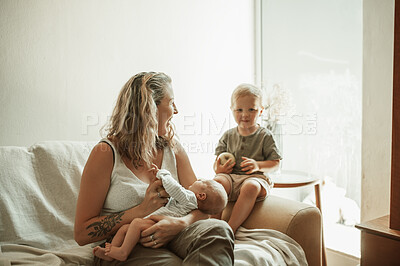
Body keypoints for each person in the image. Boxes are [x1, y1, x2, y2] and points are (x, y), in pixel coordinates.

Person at [74, 72, 234, 265]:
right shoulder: (105, 153)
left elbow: (204, 204)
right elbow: (82, 233)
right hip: (125, 242)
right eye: (171, 102)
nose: (176, 111)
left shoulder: (173, 148)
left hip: (177, 234)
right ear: (149, 109)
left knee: (219, 230)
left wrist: (181, 223)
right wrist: (141, 210)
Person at [93, 165, 228, 261]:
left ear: (201, 195)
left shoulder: (190, 197)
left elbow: (175, 189)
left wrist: (163, 174)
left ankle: (122, 252)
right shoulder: (192, 202)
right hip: (159, 227)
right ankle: (111, 253)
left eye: (202, 181)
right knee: (124, 228)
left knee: (135, 224)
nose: (198, 179)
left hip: (157, 223)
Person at [213, 83, 282, 233]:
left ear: (261, 111)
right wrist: (219, 169)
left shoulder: (265, 136)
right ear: (231, 110)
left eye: (251, 109)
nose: (245, 115)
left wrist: (258, 165)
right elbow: (217, 163)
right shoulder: (228, 135)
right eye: (239, 110)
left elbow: (276, 163)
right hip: (231, 178)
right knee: (217, 181)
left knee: (250, 187)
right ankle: (214, 224)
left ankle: (231, 228)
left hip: (255, 178)